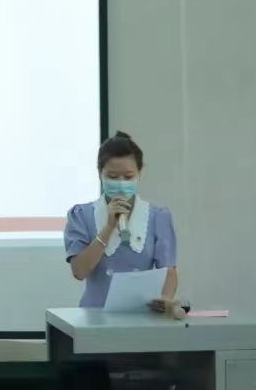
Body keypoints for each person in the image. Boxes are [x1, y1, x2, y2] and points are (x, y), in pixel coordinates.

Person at [64, 131, 184, 317]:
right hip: (94, 319)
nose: (121, 183)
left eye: (128, 177)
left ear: (139, 174)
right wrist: (108, 227)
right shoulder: (82, 215)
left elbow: (168, 272)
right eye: (113, 176)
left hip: (142, 317)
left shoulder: (158, 217)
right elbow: (79, 271)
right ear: (100, 174)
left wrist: (165, 300)